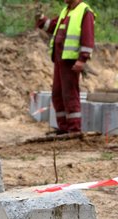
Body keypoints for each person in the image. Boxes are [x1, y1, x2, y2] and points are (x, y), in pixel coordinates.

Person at [36, 0, 95, 134]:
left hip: (70, 62)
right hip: (59, 60)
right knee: (57, 94)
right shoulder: (66, 11)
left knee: (70, 95)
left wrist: (82, 59)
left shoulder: (85, 12)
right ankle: (63, 128)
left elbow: (88, 38)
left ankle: (74, 128)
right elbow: (52, 26)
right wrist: (40, 18)